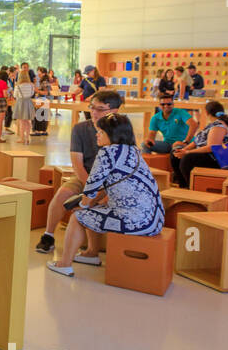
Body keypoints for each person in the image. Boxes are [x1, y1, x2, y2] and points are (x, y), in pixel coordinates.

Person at [47, 113, 164, 277]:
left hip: (136, 223)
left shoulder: (108, 153)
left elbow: (90, 190)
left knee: (78, 216)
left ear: (112, 135)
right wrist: (92, 202)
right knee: (96, 208)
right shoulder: (133, 151)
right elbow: (107, 185)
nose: (97, 134)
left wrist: (82, 204)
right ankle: (91, 253)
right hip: (154, 219)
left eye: (101, 132)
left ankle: (64, 264)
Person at [35, 90, 124, 255]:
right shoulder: (80, 129)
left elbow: (122, 169)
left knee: (90, 205)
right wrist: (91, 188)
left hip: (111, 181)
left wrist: (104, 192)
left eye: (100, 109)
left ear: (114, 111)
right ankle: (48, 235)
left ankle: (92, 250)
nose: (94, 112)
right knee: (62, 194)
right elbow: (77, 163)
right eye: (92, 107)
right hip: (85, 176)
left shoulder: (122, 130)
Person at [169, 100, 228, 188]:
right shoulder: (211, 125)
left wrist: (188, 153)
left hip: (219, 159)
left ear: (206, 112)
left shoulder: (219, 126)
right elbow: (196, 142)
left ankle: (190, 186)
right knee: (175, 153)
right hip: (209, 155)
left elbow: (212, 147)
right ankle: (182, 184)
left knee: (188, 158)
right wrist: (184, 150)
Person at [12, 64, 36, 145]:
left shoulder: (18, 86)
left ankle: (22, 138)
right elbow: (32, 93)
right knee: (28, 121)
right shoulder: (31, 85)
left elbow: (15, 95)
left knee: (22, 122)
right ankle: (27, 138)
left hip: (21, 103)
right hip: (28, 102)